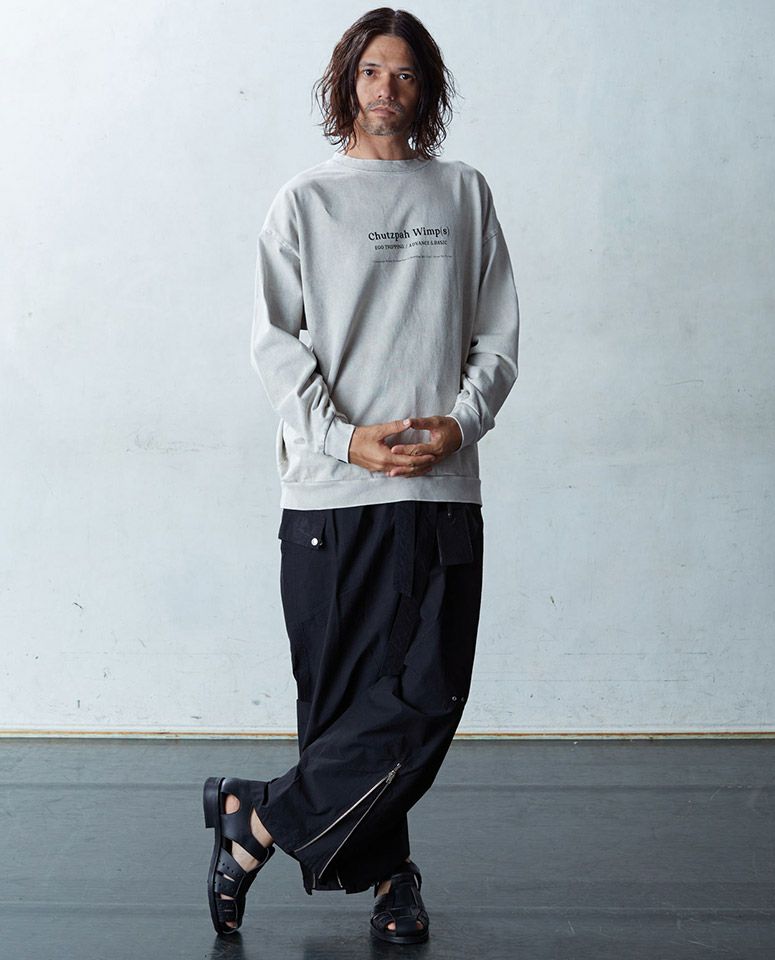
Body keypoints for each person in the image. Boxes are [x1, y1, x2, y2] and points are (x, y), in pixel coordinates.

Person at [203, 6, 520, 944]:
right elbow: (273, 345)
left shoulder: (462, 193)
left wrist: (461, 423)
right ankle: (391, 881)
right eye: (373, 71)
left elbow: (497, 334)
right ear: (347, 83)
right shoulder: (306, 201)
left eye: (406, 73)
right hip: (332, 494)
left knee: (429, 695)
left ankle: (254, 820)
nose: (388, 88)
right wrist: (346, 441)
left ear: (428, 90)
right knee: (347, 708)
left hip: (439, 487)